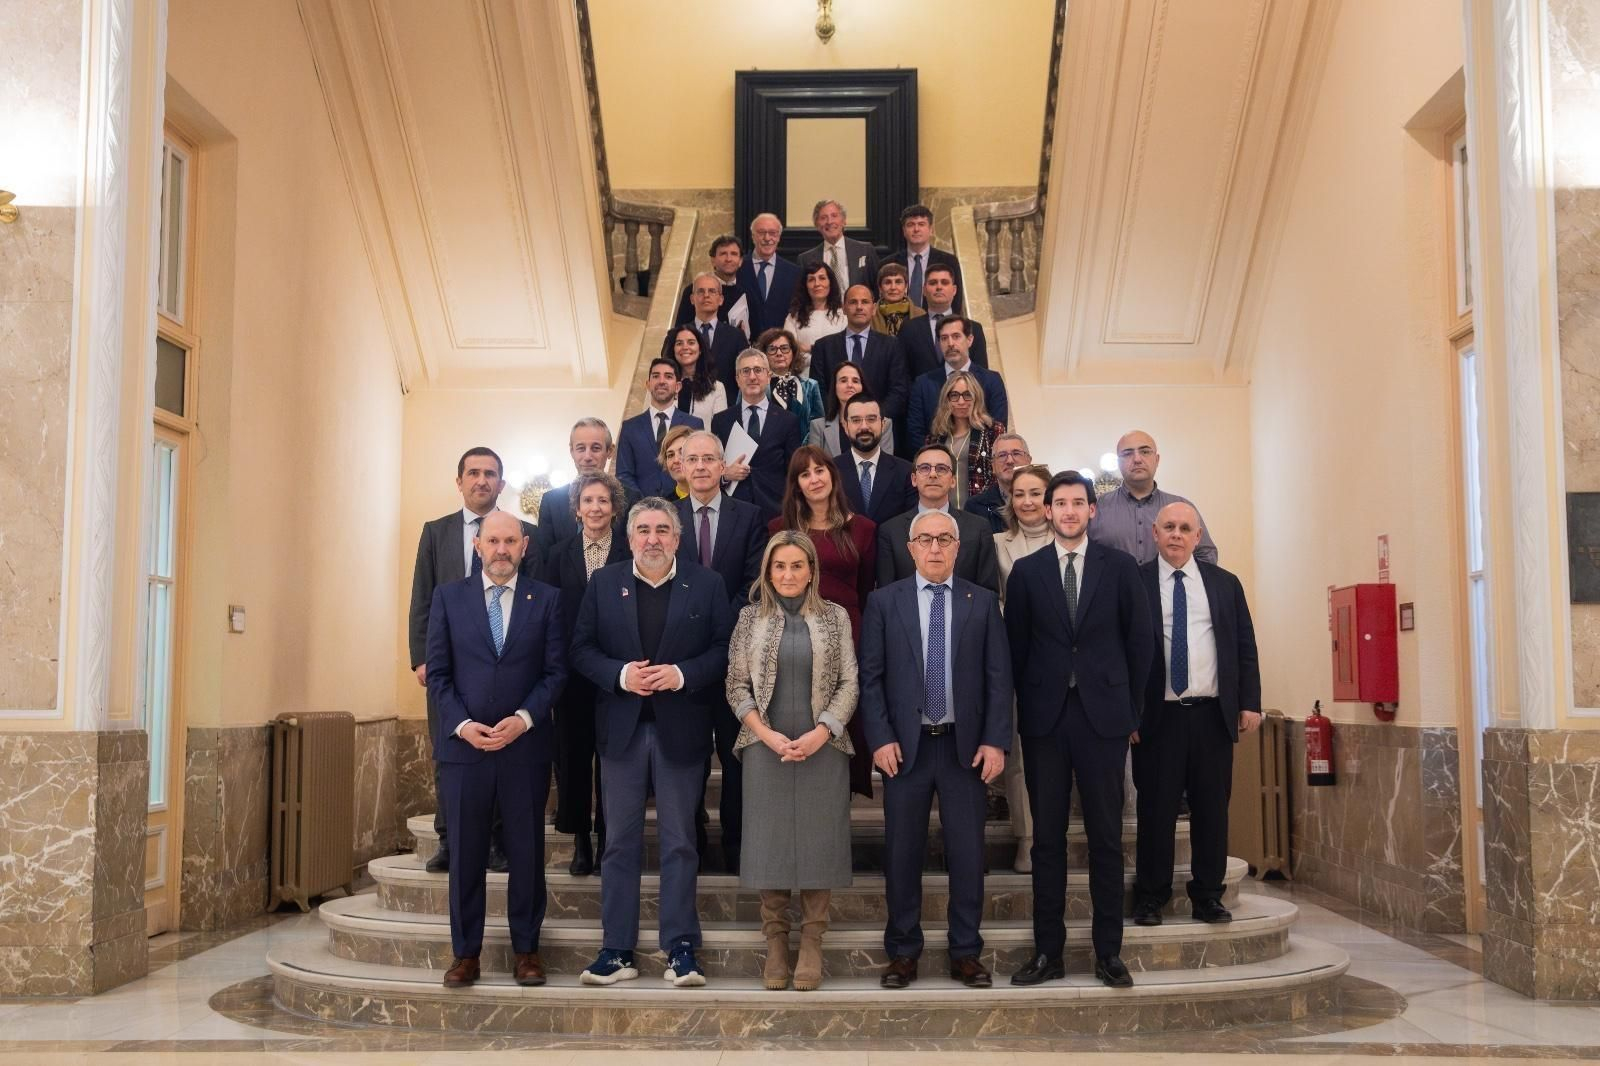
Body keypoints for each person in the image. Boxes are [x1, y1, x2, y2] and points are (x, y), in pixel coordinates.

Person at [570, 499, 734, 987]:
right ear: (630, 537)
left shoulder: (707, 584)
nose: (652, 539)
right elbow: (581, 649)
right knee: (618, 843)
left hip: (681, 731)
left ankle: (680, 948)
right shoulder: (605, 583)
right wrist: (620, 675)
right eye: (643, 529)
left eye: (663, 529)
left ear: (678, 539)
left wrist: (682, 674)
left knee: (680, 842)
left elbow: (724, 650)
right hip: (621, 732)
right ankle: (617, 949)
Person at [1005, 471, 1154, 990]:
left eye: (1077, 503)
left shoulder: (1120, 567)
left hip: (1104, 719)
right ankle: (1048, 952)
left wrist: (1131, 713)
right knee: (1046, 840)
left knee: (1106, 839)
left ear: (1093, 510)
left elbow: (1140, 643)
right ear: (1047, 511)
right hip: (1045, 720)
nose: (1068, 511)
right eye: (1060, 503)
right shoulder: (1026, 572)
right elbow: (1015, 649)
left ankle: (1108, 953)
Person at [859, 510, 1012, 991]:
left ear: (957, 547)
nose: (935, 548)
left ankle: (965, 951)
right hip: (906, 750)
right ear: (910, 548)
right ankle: (903, 951)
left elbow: (998, 678)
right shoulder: (884, 602)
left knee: (967, 854)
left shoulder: (981, 602)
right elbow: (871, 678)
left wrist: (995, 740)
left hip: (965, 749)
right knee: (902, 853)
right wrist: (880, 738)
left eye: (944, 539)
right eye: (925, 539)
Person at [425, 511, 567, 989]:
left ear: (524, 546)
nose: (502, 549)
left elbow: (555, 673)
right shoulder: (448, 598)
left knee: (526, 853)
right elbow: (438, 675)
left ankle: (527, 951)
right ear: (478, 546)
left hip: (524, 749)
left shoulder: (546, 599)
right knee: (466, 855)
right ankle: (466, 954)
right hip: (465, 750)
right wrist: (463, 725)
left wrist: (523, 719)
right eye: (493, 541)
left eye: (510, 541)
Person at [727, 531, 859, 991]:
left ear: (811, 570)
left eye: (796, 566)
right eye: (779, 566)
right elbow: (736, 685)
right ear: (767, 571)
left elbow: (849, 682)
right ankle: (777, 942)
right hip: (766, 746)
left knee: (821, 842)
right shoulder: (749, 618)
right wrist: (766, 735)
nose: (788, 575)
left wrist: (822, 732)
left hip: (823, 745)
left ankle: (813, 941)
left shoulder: (835, 616)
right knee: (770, 844)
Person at [409, 447, 539, 875]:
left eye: (490, 473)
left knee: (500, 751)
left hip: (504, 664)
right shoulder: (436, 532)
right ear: (459, 481)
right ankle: (450, 839)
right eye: (473, 473)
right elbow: (422, 596)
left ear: (502, 483)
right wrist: (422, 658)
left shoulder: (521, 534)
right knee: (448, 751)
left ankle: (496, 840)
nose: (482, 480)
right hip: (448, 667)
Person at [1132, 502, 1261, 926]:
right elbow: (1120, 651)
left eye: (1185, 528)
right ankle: (1151, 896)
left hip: (1211, 717)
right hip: (1157, 718)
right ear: (1155, 533)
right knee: (1156, 811)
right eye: (1168, 526)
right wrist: (1128, 713)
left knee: (1212, 811)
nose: (1176, 534)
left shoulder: (1225, 584)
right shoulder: (1134, 583)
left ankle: (1208, 895)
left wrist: (1249, 702)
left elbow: (1244, 645)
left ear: (1198, 536)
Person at [674, 431, 766, 873]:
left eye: (710, 459)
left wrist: (720, 628)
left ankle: (736, 844)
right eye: (693, 459)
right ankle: (691, 839)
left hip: (736, 658)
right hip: (684, 662)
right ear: (681, 466)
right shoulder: (665, 516)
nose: (701, 467)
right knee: (688, 759)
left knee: (735, 758)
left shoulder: (748, 516)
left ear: (723, 466)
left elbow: (754, 582)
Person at [767, 445, 878, 796]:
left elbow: (866, 589)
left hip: (848, 634)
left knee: (845, 712)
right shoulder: (779, 529)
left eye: (820, 470)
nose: (814, 479)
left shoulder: (863, 529)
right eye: (805, 474)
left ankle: (842, 792)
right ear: (796, 484)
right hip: (794, 635)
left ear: (833, 474)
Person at [540, 472, 632, 876]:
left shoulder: (629, 550)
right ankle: (580, 839)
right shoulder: (557, 554)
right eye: (588, 501)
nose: (596, 508)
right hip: (571, 673)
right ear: (576, 509)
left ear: (615, 508)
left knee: (612, 759)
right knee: (573, 757)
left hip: (617, 671)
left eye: (603, 501)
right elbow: (548, 614)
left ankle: (609, 836)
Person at [991, 464, 1054, 872]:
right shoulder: (997, 544)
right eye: (1019, 494)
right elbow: (994, 600)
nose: (1027, 501)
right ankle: (1027, 839)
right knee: (1019, 756)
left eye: (1036, 493)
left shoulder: (1071, 541)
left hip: (1063, 663)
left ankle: (1055, 835)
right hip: (1016, 659)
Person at [876, 444, 999, 593]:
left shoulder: (978, 529)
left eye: (941, 469)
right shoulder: (890, 532)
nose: (933, 474)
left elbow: (988, 595)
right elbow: (886, 596)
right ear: (914, 479)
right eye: (925, 468)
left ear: (953, 480)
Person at [1089, 430, 1219, 565]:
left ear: (1157, 460)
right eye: (1127, 454)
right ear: (1118, 462)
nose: (1137, 459)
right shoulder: (1096, 508)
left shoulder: (1183, 508)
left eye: (1145, 452)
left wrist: (1178, 576)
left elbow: (1207, 555)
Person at [711, 349, 804, 523]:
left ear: (768, 376)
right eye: (745, 371)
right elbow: (712, 466)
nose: (752, 377)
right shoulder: (720, 421)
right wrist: (725, 475)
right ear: (737, 379)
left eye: (758, 370)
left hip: (776, 512)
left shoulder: (788, 420)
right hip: (732, 511)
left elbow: (794, 471)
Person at [810, 285, 911, 438]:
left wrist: (872, 420)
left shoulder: (892, 345)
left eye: (864, 302)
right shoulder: (823, 346)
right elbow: (818, 391)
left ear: (874, 308)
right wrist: (839, 421)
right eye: (853, 302)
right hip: (834, 431)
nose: (859, 307)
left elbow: (899, 391)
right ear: (843, 308)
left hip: (879, 431)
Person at [906, 314, 1009, 451]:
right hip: (935, 461)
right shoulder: (923, 384)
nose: (950, 343)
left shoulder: (992, 380)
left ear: (970, 340)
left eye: (956, 336)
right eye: (944, 338)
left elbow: (998, 428)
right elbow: (915, 433)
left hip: (982, 459)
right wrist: (937, 459)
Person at [535, 418, 621, 561]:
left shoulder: (630, 498)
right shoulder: (551, 501)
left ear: (610, 451)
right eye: (581, 448)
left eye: (595, 448)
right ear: (572, 451)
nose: (587, 456)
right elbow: (545, 558)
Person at [617, 358, 702, 498]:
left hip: (684, 503)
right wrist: (643, 504)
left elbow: (698, 465)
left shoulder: (694, 424)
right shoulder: (630, 427)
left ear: (678, 386)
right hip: (642, 506)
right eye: (656, 376)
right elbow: (623, 474)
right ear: (648, 384)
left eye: (668, 376)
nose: (661, 381)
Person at [921, 372, 1006, 510]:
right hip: (942, 511)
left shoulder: (992, 431)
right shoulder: (935, 437)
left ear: (976, 397)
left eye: (967, 395)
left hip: (981, 510)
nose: (961, 402)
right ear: (946, 399)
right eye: (954, 395)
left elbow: (999, 474)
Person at [833, 394, 917, 526]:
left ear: (883, 424)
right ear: (845, 426)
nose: (864, 427)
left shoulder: (906, 472)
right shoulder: (831, 471)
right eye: (856, 420)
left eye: (871, 419)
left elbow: (910, 523)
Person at [902, 265, 989, 379]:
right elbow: (903, 374)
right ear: (924, 290)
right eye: (933, 283)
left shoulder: (974, 328)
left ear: (954, 290)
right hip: (922, 390)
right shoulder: (909, 328)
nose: (939, 287)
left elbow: (981, 373)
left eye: (944, 282)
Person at [682, 271, 752, 398]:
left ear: (721, 300)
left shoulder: (736, 337)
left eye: (712, 291)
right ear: (692, 299)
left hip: (727, 404)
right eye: (701, 291)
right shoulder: (677, 335)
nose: (706, 295)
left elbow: (745, 375)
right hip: (687, 403)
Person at [883, 203, 964, 311]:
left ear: (931, 230)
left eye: (921, 224)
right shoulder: (888, 263)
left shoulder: (949, 261)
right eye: (911, 225)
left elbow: (956, 301)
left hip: (936, 320)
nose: (916, 229)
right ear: (904, 231)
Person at [810, 361, 896, 457]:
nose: (850, 385)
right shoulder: (818, 426)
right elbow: (814, 463)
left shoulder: (884, 424)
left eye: (855, 381)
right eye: (843, 381)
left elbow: (886, 462)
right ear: (834, 387)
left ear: (862, 387)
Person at [737, 213, 801, 338]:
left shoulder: (794, 272)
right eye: (761, 232)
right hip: (745, 343)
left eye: (772, 233)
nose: (767, 238)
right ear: (753, 236)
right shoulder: (738, 268)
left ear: (779, 237)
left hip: (781, 344)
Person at [798, 198, 880, 291]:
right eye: (823, 218)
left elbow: (877, 287)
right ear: (817, 225)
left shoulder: (865, 250)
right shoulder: (806, 259)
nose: (829, 222)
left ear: (844, 221)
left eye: (834, 216)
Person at [674, 235, 749, 336]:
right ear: (713, 260)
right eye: (723, 254)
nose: (728, 259)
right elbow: (680, 330)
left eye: (734, 254)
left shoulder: (747, 292)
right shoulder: (695, 290)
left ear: (740, 261)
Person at [663, 325, 729, 427]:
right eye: (679, 343)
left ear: (700, 349)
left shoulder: (716, 388)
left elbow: (721, 428)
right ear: (673, 350)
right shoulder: (662, 384)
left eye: (691, 343)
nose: (685, 347)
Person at [966, 433, 1033, 534]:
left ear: (1029, 461)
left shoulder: (1048, 499)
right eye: (1002, 455)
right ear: (993, 465)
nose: (1010, 461)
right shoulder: (975, 507)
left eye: (1016, 453)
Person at [757, 327, 824, 428]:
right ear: (764, 355)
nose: (779, 353)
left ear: (793, 352)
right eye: (772, 349)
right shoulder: (755, 385)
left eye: (784, 348)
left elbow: (818, 425)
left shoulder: (811, 386)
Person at [781, 261, 847, 357]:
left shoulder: (843, 315)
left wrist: (810, 348)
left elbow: (844, 346)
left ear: (830, 282)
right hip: (802, 366)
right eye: (811, 279)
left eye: (822, 278)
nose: (817, 284)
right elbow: (788, 346)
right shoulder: (794, 316)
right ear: (805, 285)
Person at [871, 262, 926, 336]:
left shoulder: (921, 315)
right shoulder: (869, 315)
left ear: (906, 287)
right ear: (880, 288)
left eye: (898, 282)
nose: (893, 287)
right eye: (887, 282)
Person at [657, 424, 695, 501]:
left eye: (682, 452)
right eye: (670, 455)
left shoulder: (717, 499)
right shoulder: (663, 506)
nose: (676, 460)